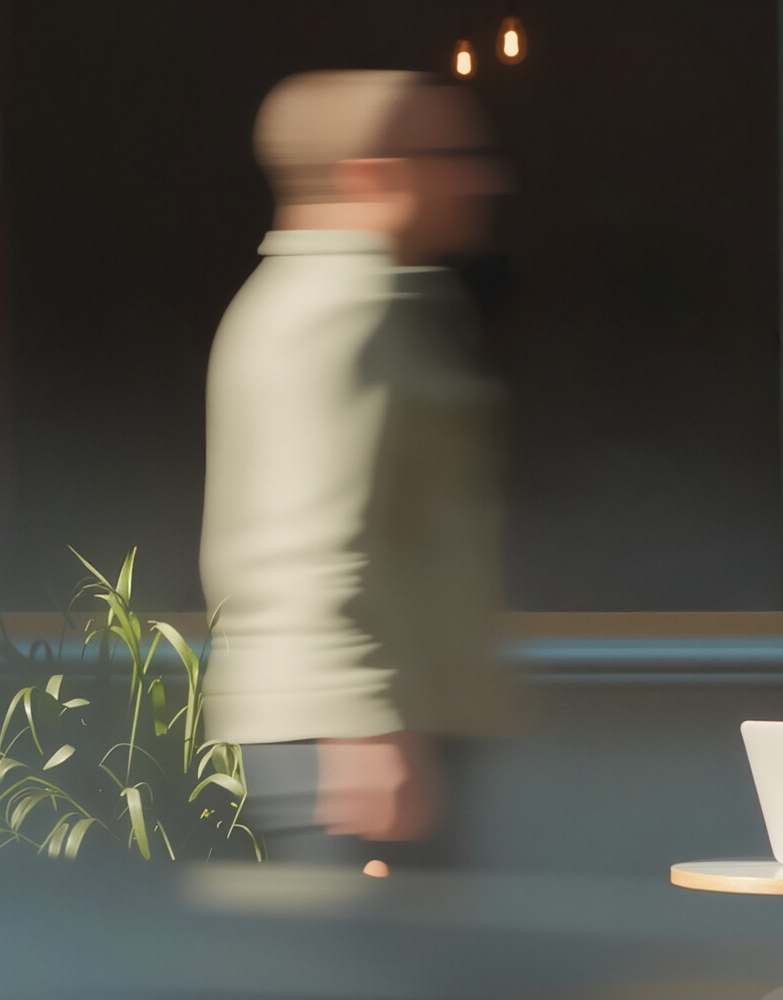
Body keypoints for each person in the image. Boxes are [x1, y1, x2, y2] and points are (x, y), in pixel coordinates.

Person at [199, 69, 519, 873]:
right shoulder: (342, 308)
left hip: (376, 729)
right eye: (451, 157)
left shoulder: (360, 298)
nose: (486, 179)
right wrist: (368, 729)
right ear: (368, 176)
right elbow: (309, 537)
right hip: (349, 745)